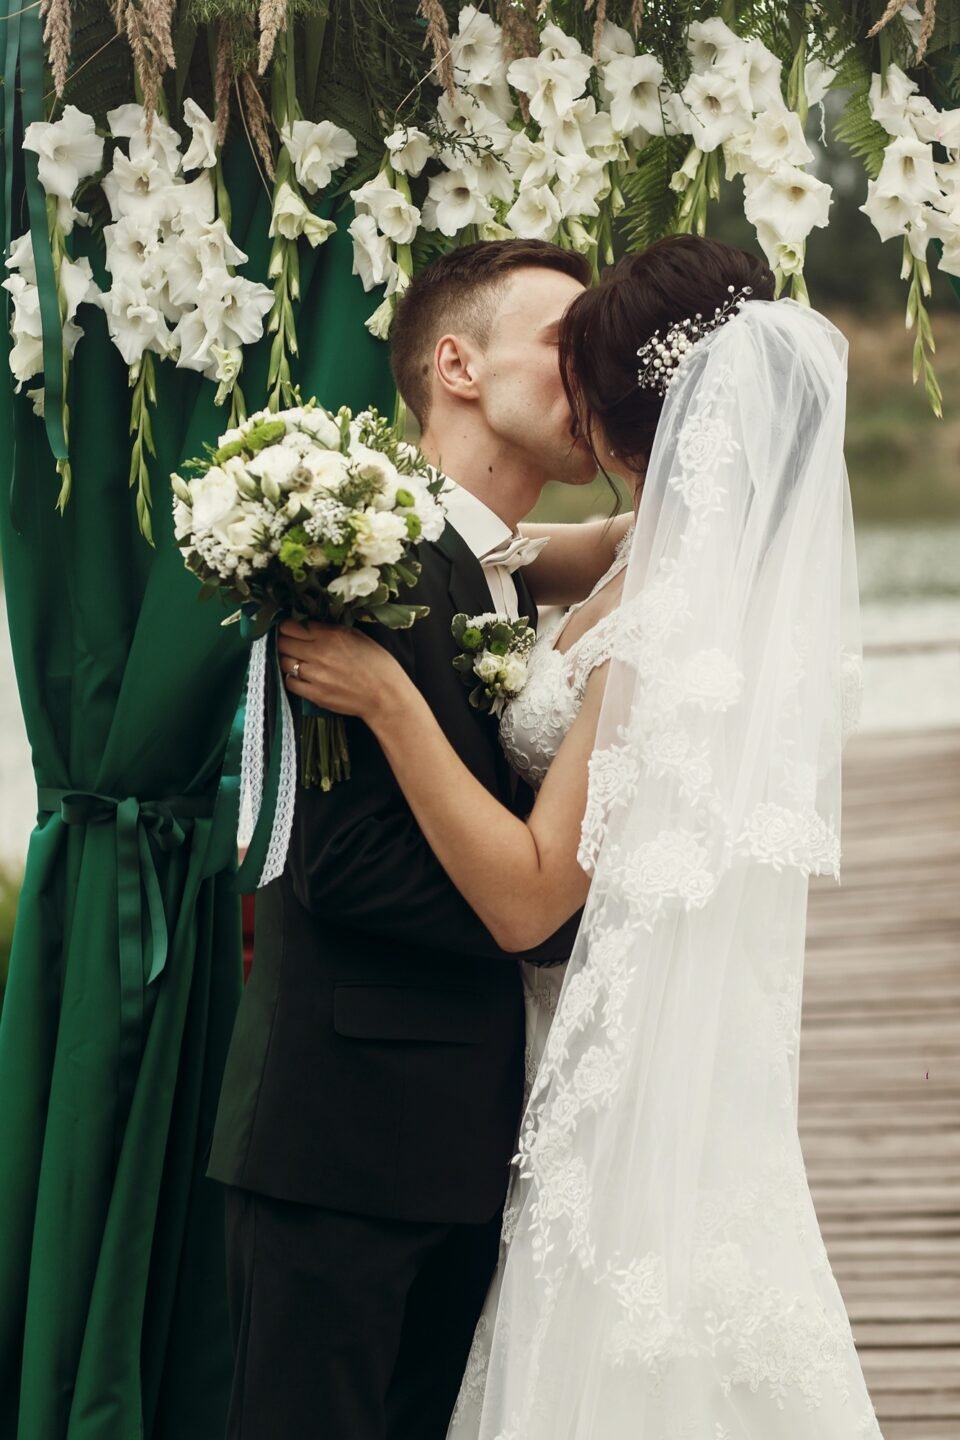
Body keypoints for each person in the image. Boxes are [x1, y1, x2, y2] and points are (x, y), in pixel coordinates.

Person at [278, 235, 883, 1439]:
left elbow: (529, 901)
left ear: (615, 421)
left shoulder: (657, 623)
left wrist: (392, 702)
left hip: (606, 1065)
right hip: (620, 1055)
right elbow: (489, 551)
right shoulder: (661, 560)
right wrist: (337, 514)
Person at [207, 238, 636, 1440]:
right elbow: (343, 864)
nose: (591, 363)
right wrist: (557, 919)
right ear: (456, 364)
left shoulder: (498, 567)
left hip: (468, 1140)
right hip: (340, 1143)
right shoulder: (346, 555)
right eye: (564, 340)